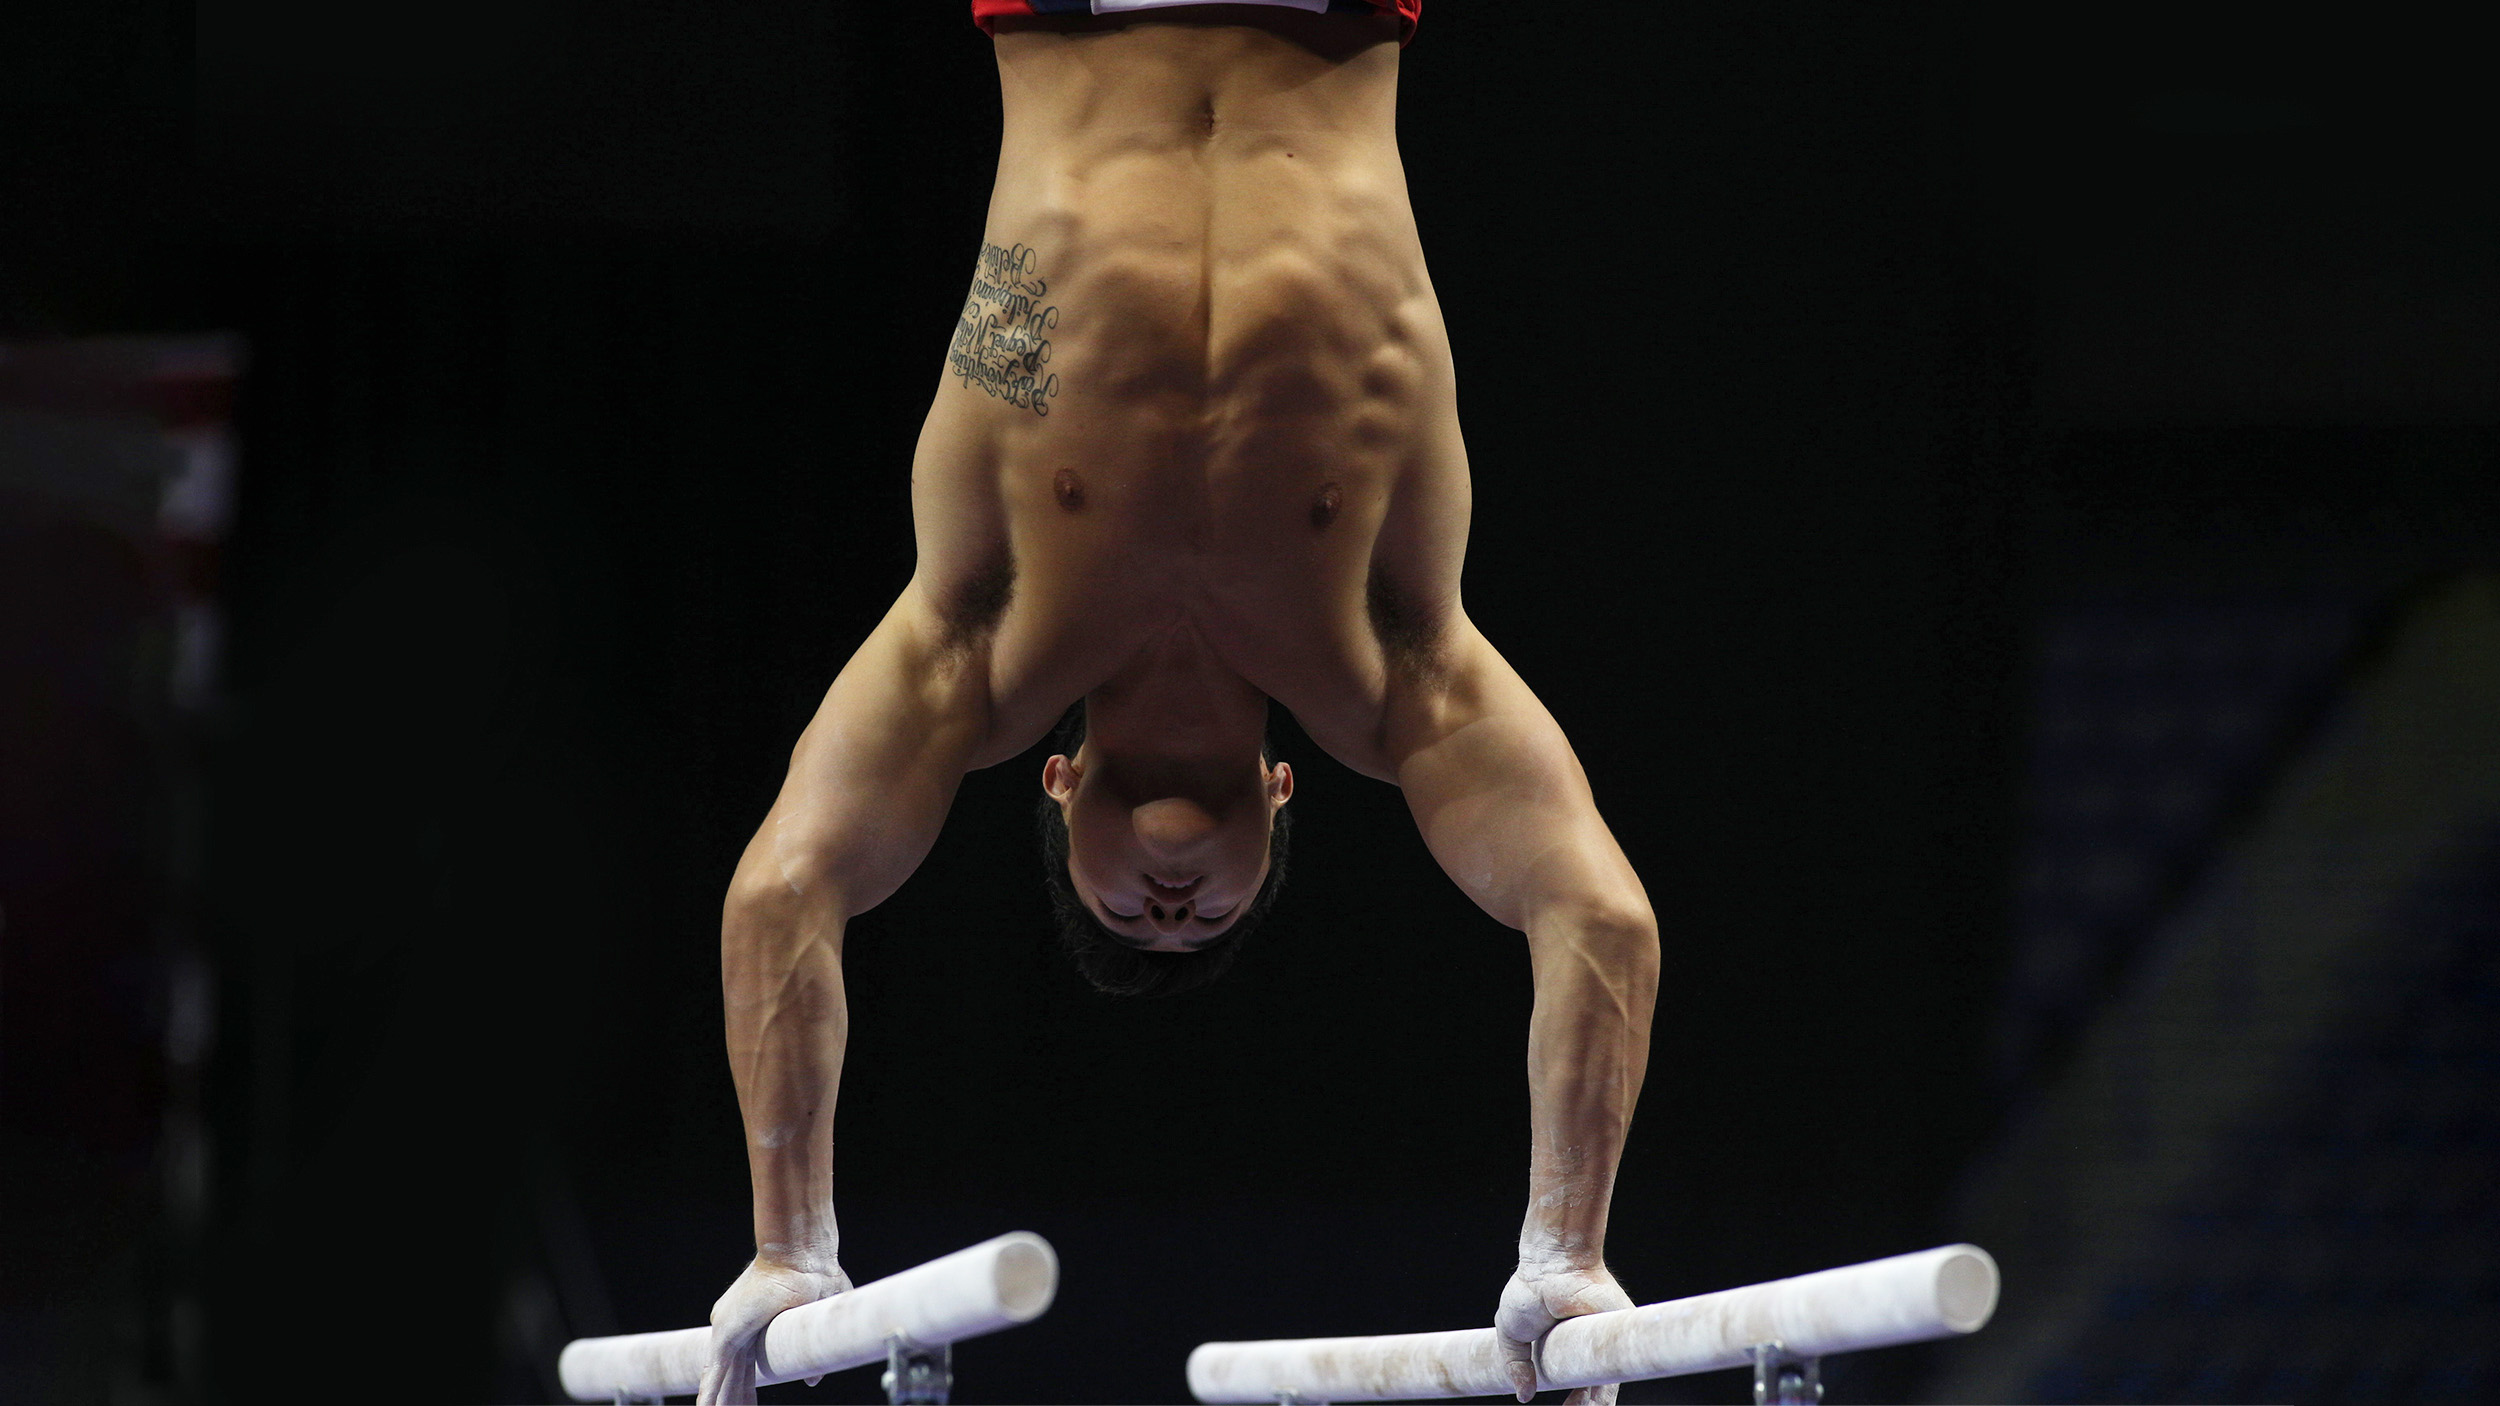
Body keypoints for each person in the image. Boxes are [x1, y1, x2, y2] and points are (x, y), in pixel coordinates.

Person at [698, 5, 1659, 1402]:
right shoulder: (1391, 670)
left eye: (1127, 910)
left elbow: (782, 892)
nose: (1168, 906)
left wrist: (790, 1245)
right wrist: (1567, 1245)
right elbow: (1602, 915)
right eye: (1208, 913)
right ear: (1282, 798)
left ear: (1054, 789)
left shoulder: (979, 641)